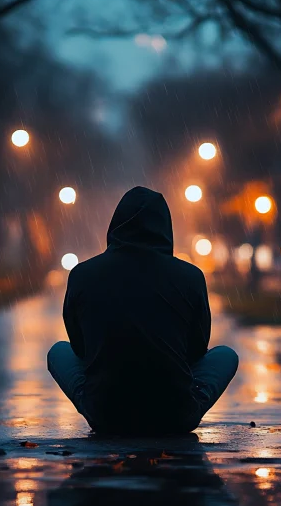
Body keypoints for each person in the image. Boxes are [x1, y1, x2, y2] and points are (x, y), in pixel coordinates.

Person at [47, 186, 238, 435]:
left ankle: (101, 400)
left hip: (106, 415)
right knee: (226, 355)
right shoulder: (191, 276)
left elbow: (80, 349)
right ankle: (182, 401)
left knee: (58, 351)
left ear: (116, 225)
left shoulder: (83, 274)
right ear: (165, 228)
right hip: (175, 416)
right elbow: (197, 349)